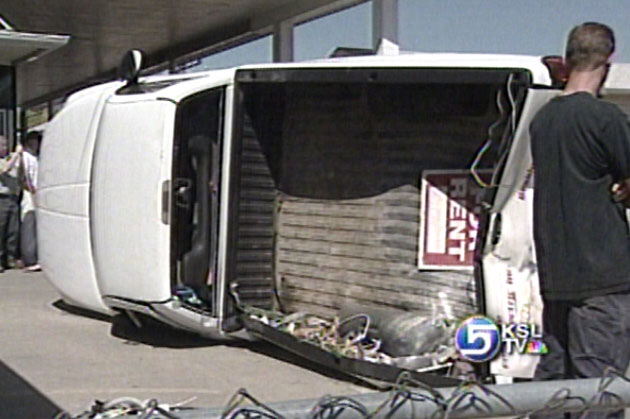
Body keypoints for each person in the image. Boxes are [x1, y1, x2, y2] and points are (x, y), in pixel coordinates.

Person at [530, 22, 630, 418]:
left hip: (557, 280)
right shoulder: (605, 119)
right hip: (604, 280)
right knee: (600, 395)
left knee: (553, 390)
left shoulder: (542, 122)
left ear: (569, 60)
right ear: (607, 62)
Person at [19, 131, 40, 272]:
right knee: (29, 225)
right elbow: (22, 178)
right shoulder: (24, 158)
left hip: (40, 195)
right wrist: (30, 188)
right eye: (33, 141)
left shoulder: (37, 158)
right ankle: (29, 258)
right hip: (29, 196)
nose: (35, 144)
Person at [0, 135, 21, 272]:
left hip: (13, 198)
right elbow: (4, 171)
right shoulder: (5, 162)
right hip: (1, 198)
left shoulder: (11, 159)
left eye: (6, 145)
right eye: (2, 145)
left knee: (13, 230)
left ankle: (10, 258)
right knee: (1, 230)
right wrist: (16, 156)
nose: (5, 148)